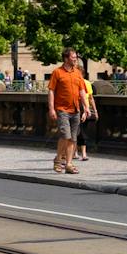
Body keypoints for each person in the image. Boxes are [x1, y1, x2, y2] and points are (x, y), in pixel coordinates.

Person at [47, 47, 88, 175]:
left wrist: (86, 108)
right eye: (73, 57)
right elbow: (51, 91)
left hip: (75, 109)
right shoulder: (57, 72)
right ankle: (58, 160)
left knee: (73, 139)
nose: (75, 59)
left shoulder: (77, 73)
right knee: (65, 136)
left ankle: (69, 164)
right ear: (66, 58)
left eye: (76, 57)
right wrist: (51, 108)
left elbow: (82, 91)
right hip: (62, 109)